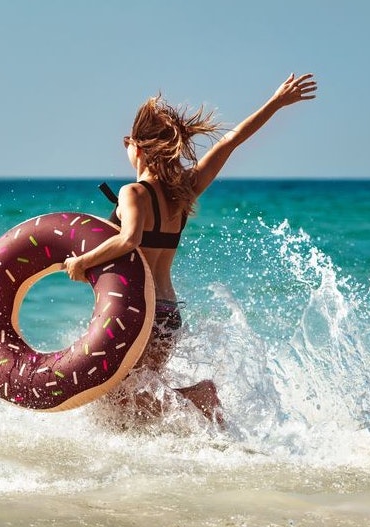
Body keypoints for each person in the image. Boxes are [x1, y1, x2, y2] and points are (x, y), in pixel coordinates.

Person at [64, 73, 318, 424]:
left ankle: (199, 396)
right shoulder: (184, 191)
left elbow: (130, 239)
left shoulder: (133, 193)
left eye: (127, 141)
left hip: (140, 311)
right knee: (137, 394)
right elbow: (230, 143)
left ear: (137, 146)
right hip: (168, 312)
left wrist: (82, 262)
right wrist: (276, 102)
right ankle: (192, 418)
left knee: (120, 401)